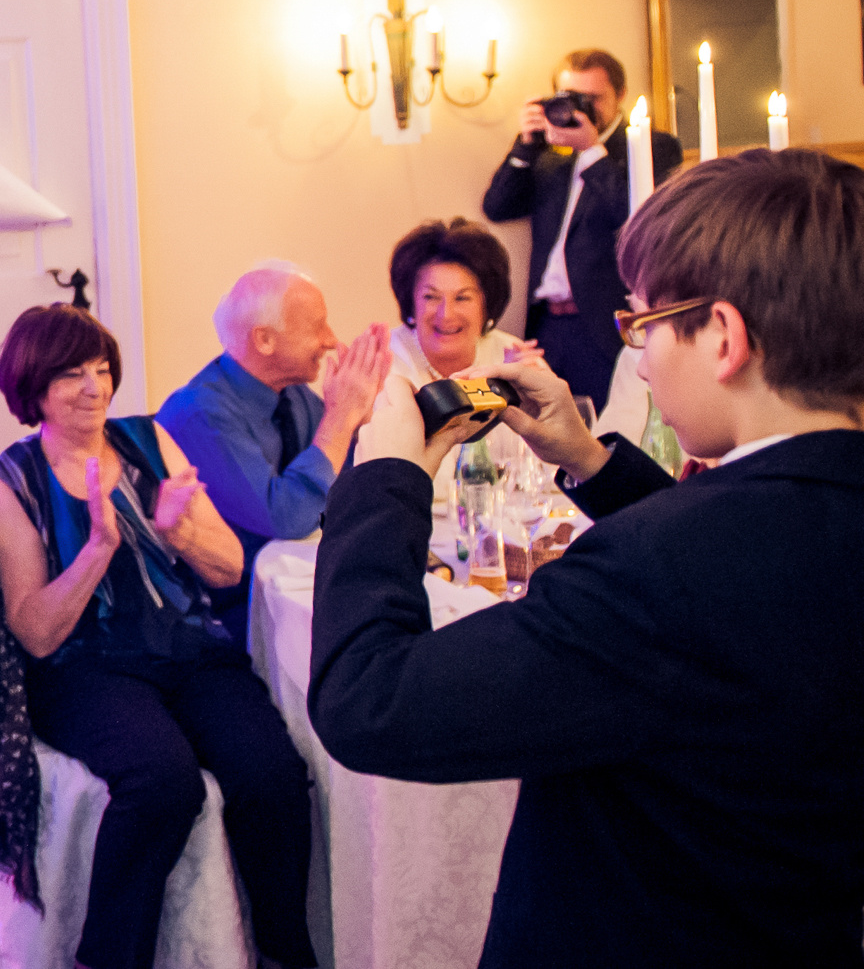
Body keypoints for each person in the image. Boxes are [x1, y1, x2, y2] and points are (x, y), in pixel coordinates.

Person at [311, 147, 864, 967]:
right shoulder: (780, 529)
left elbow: (370, 701)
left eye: (643, 325)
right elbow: (749, 574)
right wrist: (592, 459)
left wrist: (386, 477)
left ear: (723, 337)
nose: (638, 356)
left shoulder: (653, 573)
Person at [0, 306, 318, 969]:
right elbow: (37, 632)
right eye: (71, 373)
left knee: (272, 775)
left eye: (102, 369)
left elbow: (230, 566)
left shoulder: (149, 440)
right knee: (163, 783)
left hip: (190, 650)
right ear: (32, 385)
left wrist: (181, 533)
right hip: (85, 668)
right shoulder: (11, 482)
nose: (95, 387)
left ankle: (285, 952)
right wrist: (97, 549)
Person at [156, 264, 389, 646]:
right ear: (264, 339)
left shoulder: (293, 395)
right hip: (219, 619)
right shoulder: (201, 414)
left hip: (297, 587)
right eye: (318, 326)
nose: (331, 340)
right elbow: (285, 517)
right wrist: (339, 420)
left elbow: (344, 488)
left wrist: (358, 418)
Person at [481, 47, 683, 405]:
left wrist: (591, 151)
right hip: (547, 326)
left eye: (594, 98)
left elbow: (641, 218)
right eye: (572, 97)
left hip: (605, 327)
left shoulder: (652, 146)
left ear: (620, 95)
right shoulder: (550, 153)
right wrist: (524, 146)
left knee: (609, 428)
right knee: (545, 425)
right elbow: (498, 207)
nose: (582, 109)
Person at [361, 217, 533, 496]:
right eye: (431, 297)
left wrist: (531, 403)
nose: (446, 314)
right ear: (411, 303)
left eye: (462, 298)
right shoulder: (385, 364)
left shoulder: (512, 357)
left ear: (487, 304)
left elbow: (539, 473)